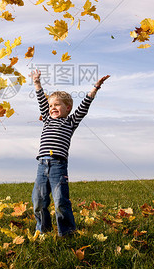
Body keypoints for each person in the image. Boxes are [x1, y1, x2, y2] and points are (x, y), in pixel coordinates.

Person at [30, 69, 110, 236]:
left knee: (60, 201)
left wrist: (95, 87)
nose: (52, 108)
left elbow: (85, 105)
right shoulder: (46, 117)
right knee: (38, 201)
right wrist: (37, 82)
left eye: (57, 105)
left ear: (68, 108)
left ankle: (67, 233)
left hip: (58, 165)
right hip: (42, 165)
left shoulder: (70, 121)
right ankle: (42, 230)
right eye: (51, 105)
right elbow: (40, 99)